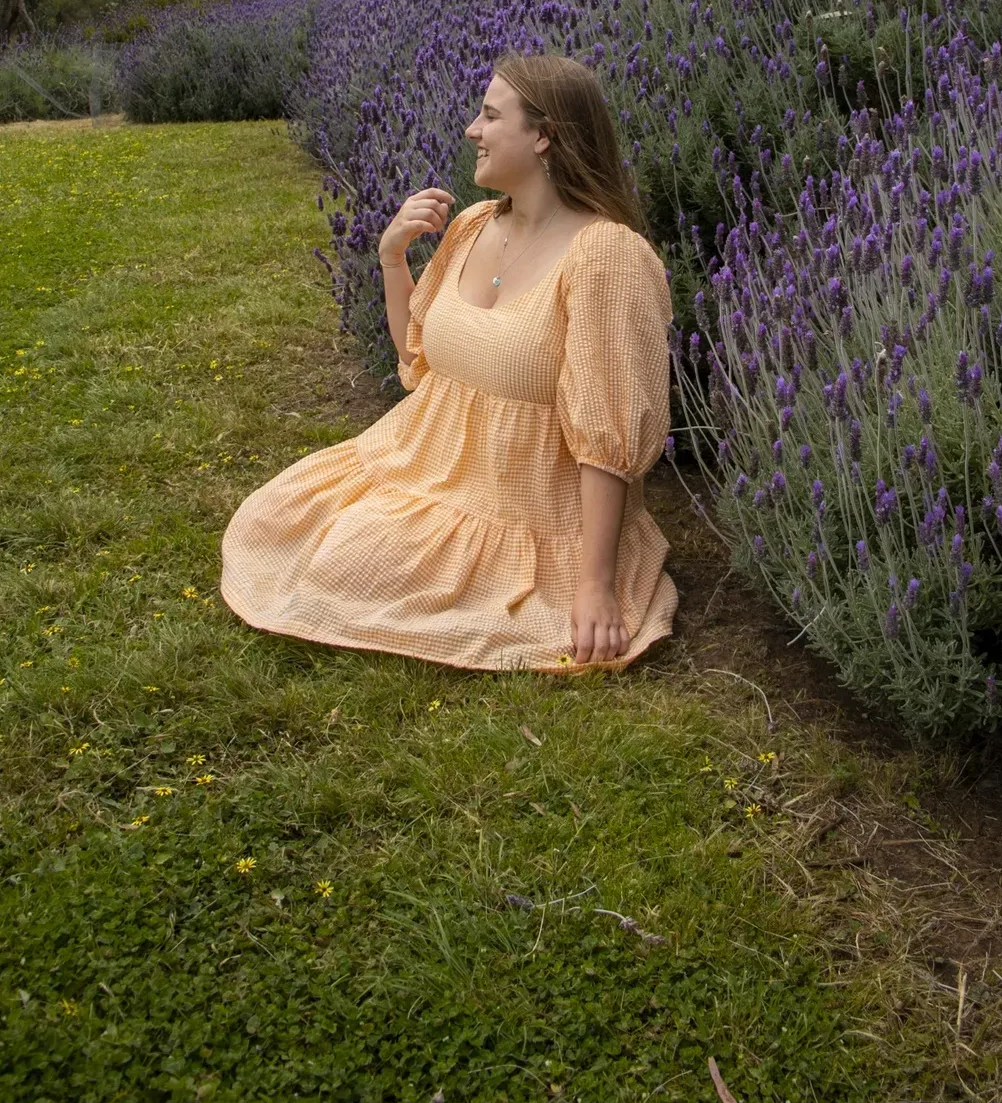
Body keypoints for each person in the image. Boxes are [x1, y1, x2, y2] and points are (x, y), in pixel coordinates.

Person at [220, 50, 678, 670]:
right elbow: (423, 362)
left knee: (352, 560)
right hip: (426, 466)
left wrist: (593, 584)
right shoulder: (471, 225)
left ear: (544, 137)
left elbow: (609, 436)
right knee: (281, 522)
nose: (471, 130)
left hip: (530, 508)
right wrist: (391, 258)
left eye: (490, 116)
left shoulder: (606, 258)